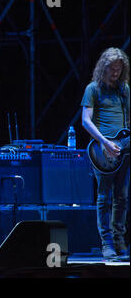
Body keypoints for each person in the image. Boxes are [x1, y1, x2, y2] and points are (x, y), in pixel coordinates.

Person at [81, 47, 130, 260]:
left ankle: (119, 240)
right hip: (101, 151)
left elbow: (128, 122)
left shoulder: (124, 90)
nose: (115, 73)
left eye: (119, 69)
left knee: (123, 197)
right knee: (104, 197)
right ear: (104, 67)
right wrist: (104, 142)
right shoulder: (92, 89)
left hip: (123, 152)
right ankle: (106, 243)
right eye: (112, 69)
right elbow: (85, 120)